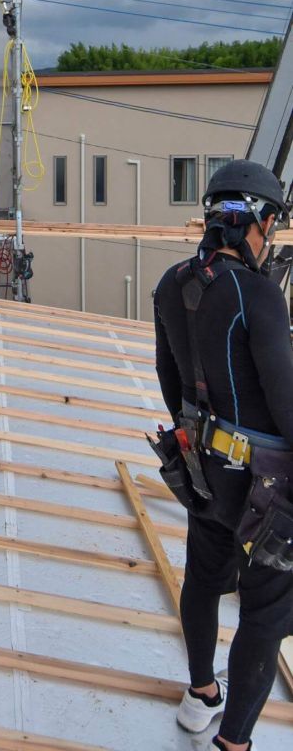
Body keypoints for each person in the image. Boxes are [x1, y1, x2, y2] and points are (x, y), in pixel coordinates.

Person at [153, 159, 293, 751]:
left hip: (203, 472)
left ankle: (201, 695)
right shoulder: (259, 297)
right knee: (266, 610)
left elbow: (170, 381)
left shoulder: (170, 282)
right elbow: (286, 406)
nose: (272, 241)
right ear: (252, 222)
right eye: (272, 227)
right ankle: (233, 743)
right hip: (264, 489)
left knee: (205, 580)